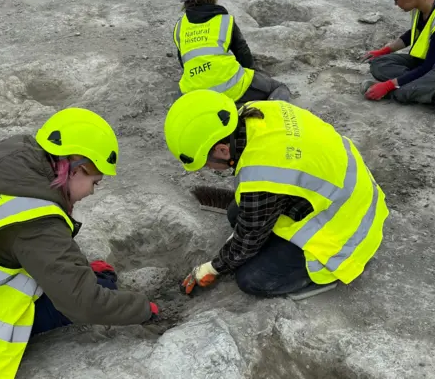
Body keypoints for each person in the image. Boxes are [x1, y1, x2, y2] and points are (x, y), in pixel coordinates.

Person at [0, 108, 158, 379]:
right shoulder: (36, 222)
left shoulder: (7, 157)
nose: (92, 192)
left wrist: (76, 267)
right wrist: (142, 308)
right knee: (102, 286)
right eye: (95, 182)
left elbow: (31, 244)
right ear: (76, 170)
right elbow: (83, 303)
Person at [164, 90, 389, 297]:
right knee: (237, 214)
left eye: (206, 163)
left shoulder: (261, 175)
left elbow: (247, 242)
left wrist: (213, 267)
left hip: (346, 228)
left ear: (222, 150)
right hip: (341, 191)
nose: (208, 169)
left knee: (252, 279)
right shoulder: (257, 111)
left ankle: (323, 276)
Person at [173, 0, 291, 106]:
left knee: (182, 96)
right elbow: (243, 55)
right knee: (279, 88)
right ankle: (265, 116)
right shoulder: (225, 20)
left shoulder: (179, 27)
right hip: (231, 88)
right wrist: (254, 76)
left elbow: (184, 63)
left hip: (194, 95)